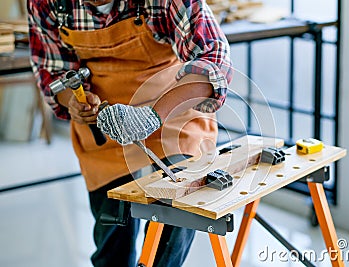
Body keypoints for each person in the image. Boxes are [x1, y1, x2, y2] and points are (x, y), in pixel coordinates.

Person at [28, 0, 232, 266]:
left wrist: (153, 116)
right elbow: (53, 71)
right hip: (104, 120)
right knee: (113, 235)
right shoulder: (48, 3)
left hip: (172, 111)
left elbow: (215, 60)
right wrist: (75, 102)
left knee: (176, 214)